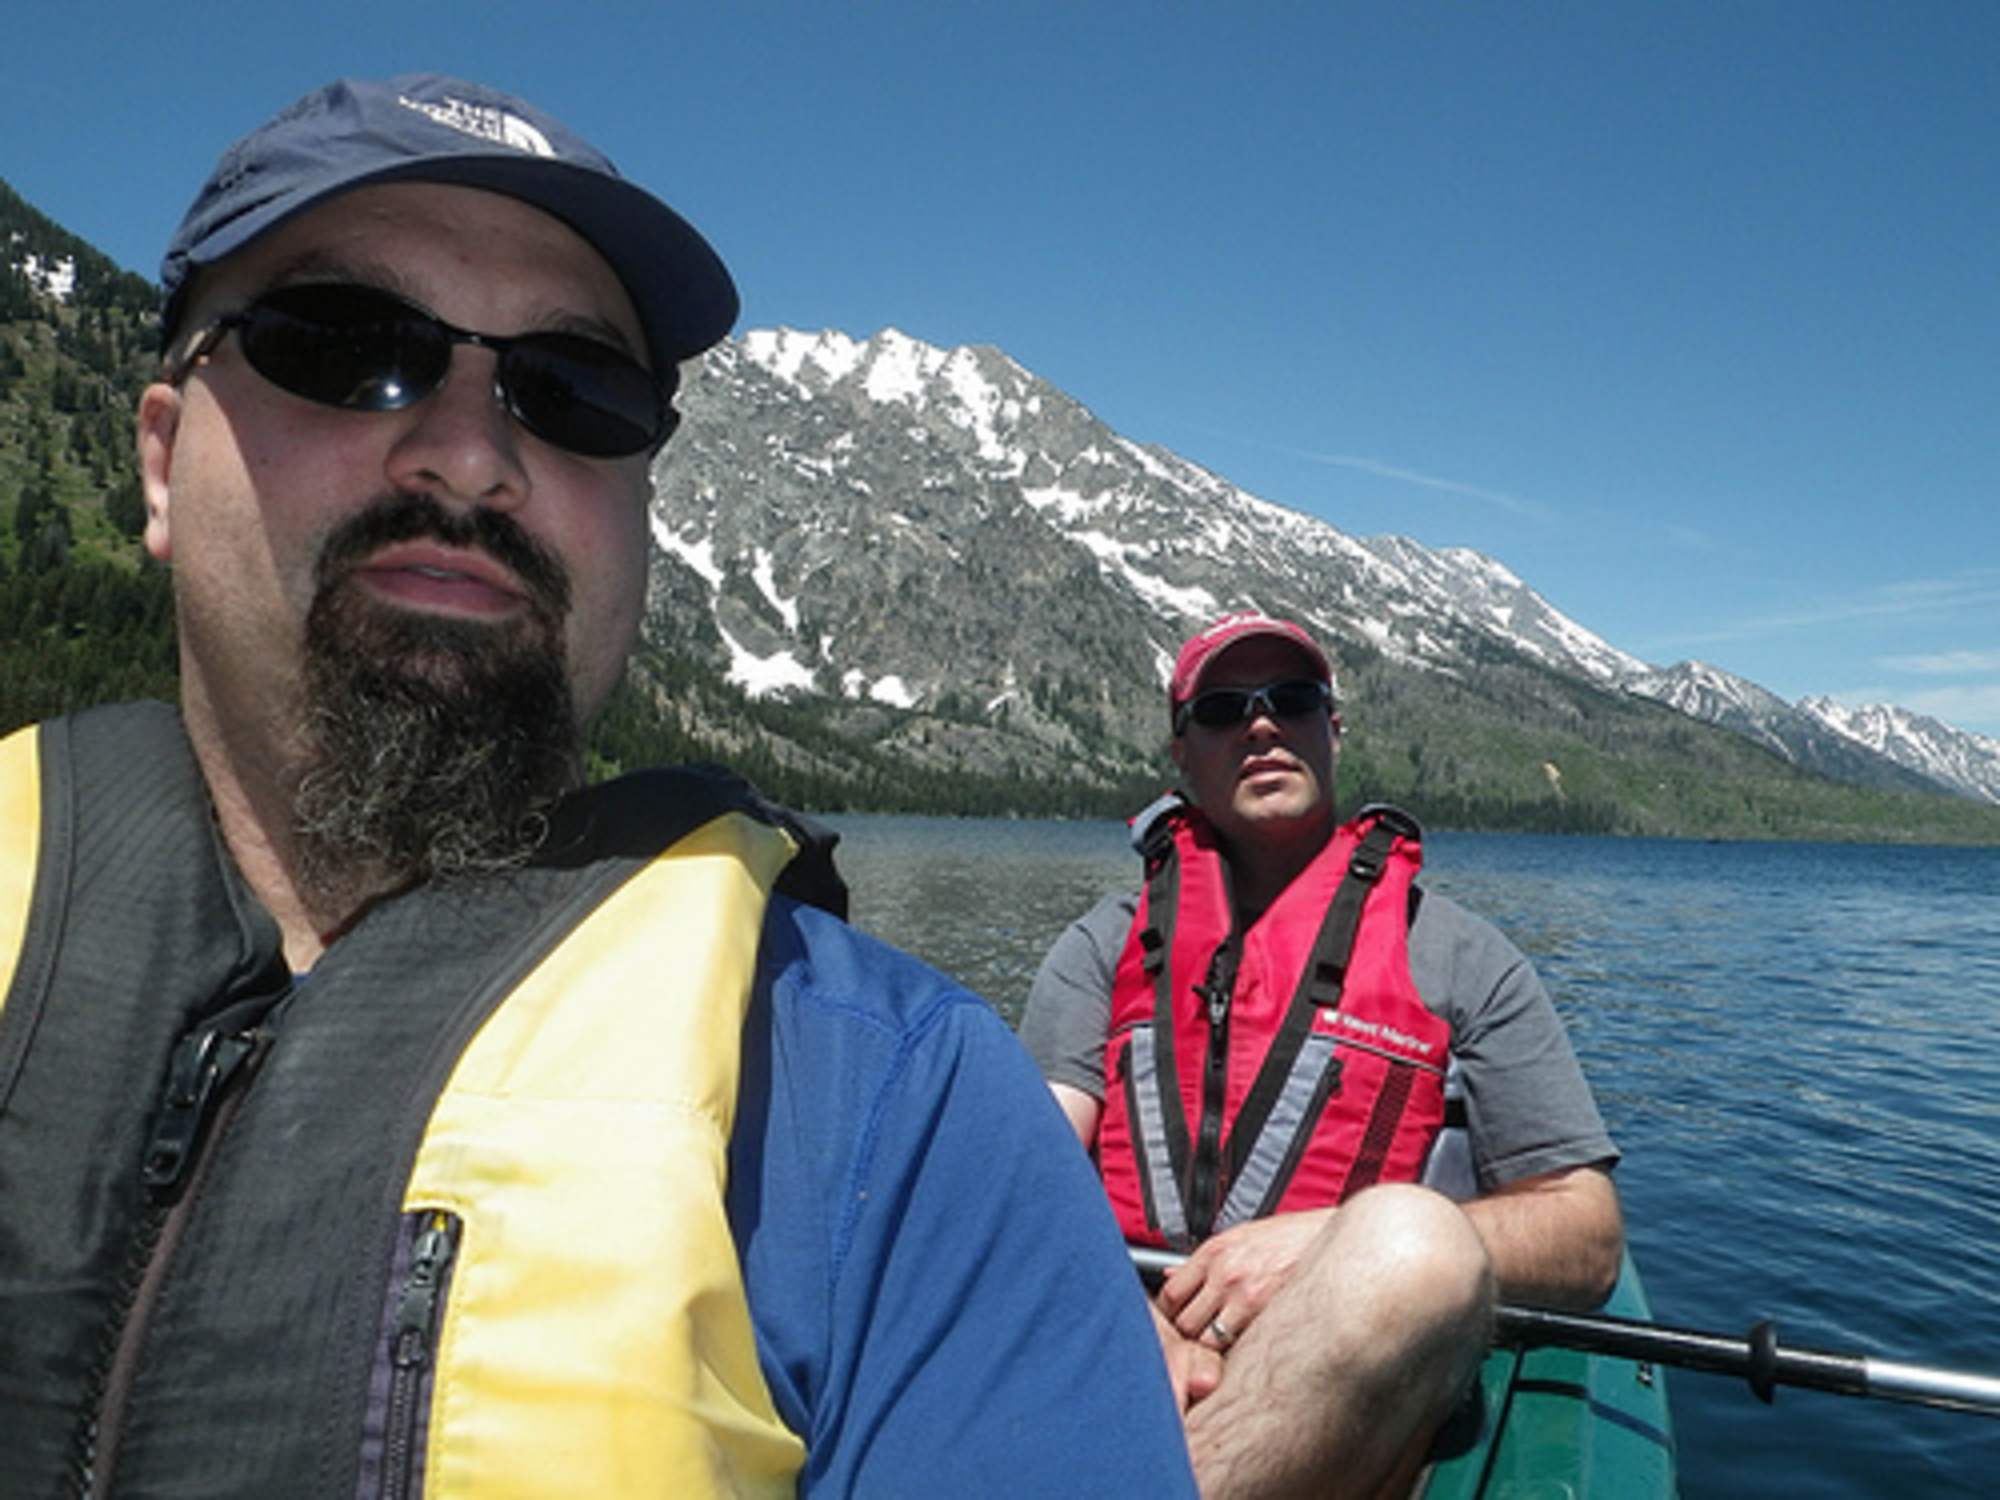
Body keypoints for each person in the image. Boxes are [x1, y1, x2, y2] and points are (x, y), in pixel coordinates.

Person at [0, 75, 1197, 1499]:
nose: (472, 454)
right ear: (157, 460)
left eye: (574, 392)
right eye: (345, 345)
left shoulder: (907, 1107)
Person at [1019, 611, 1625, 1499]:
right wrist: (1126, 1311)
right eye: (1224, 710)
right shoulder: (1099, 951)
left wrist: (1328, 1244)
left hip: (1343, 1361)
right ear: (1182, 753)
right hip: (1128, 1330)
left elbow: (1588, 1233)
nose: (1262, 725)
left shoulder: (1465, 959)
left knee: (1415, 1242)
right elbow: (1024, 1170)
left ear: (1331, 729)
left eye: (1292, 700)